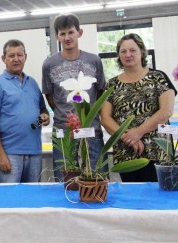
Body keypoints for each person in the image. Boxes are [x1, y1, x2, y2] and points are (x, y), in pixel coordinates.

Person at [100, 33, 176, 182]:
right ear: (119, 56)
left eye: (132, 50)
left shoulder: (158, 77)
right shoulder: (112, 85)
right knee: (132, 198)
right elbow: (105, 118)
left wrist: (138, 132)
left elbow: (166, 111)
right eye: (123, 51)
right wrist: (128, 138)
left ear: (142, 51)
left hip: (157, 150)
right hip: (126, 152)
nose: (128, 54)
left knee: (160, 197)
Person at [42, 13, 107, 182]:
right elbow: (50, 97)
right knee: (65, 180)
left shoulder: (94, 61)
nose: (67, 37)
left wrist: (87, 115)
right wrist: (66, 114)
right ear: (57, 36)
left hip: (91, 128)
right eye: (62, 34)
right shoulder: (49, 64)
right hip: (63, 129)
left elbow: (100, 93)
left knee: (97, 177)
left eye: (71, 32)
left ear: (80, 32)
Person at [0, 39, 50, 183]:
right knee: (10, 200)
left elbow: (42, 109)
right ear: (4, 59)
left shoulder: (32, 83)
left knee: (33, 199)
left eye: (20, 55)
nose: (16, 59)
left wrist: (45, 116)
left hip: (34, 152)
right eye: (11, 55)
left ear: (25, 57)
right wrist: (0, 154)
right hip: (9, 154)